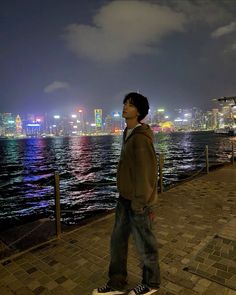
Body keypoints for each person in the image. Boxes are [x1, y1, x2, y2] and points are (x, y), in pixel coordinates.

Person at [93, 92, 160, 295]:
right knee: (117, 242)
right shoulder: (127, 132)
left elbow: (147, 173)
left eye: (130, 105)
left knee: (144, 244)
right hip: (125, 199)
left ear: (139, 111)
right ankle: (116, 284)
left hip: (138, 202)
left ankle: (151, 283)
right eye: (124, 103)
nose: (125, 107)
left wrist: (141, 203)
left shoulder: (140, 138)